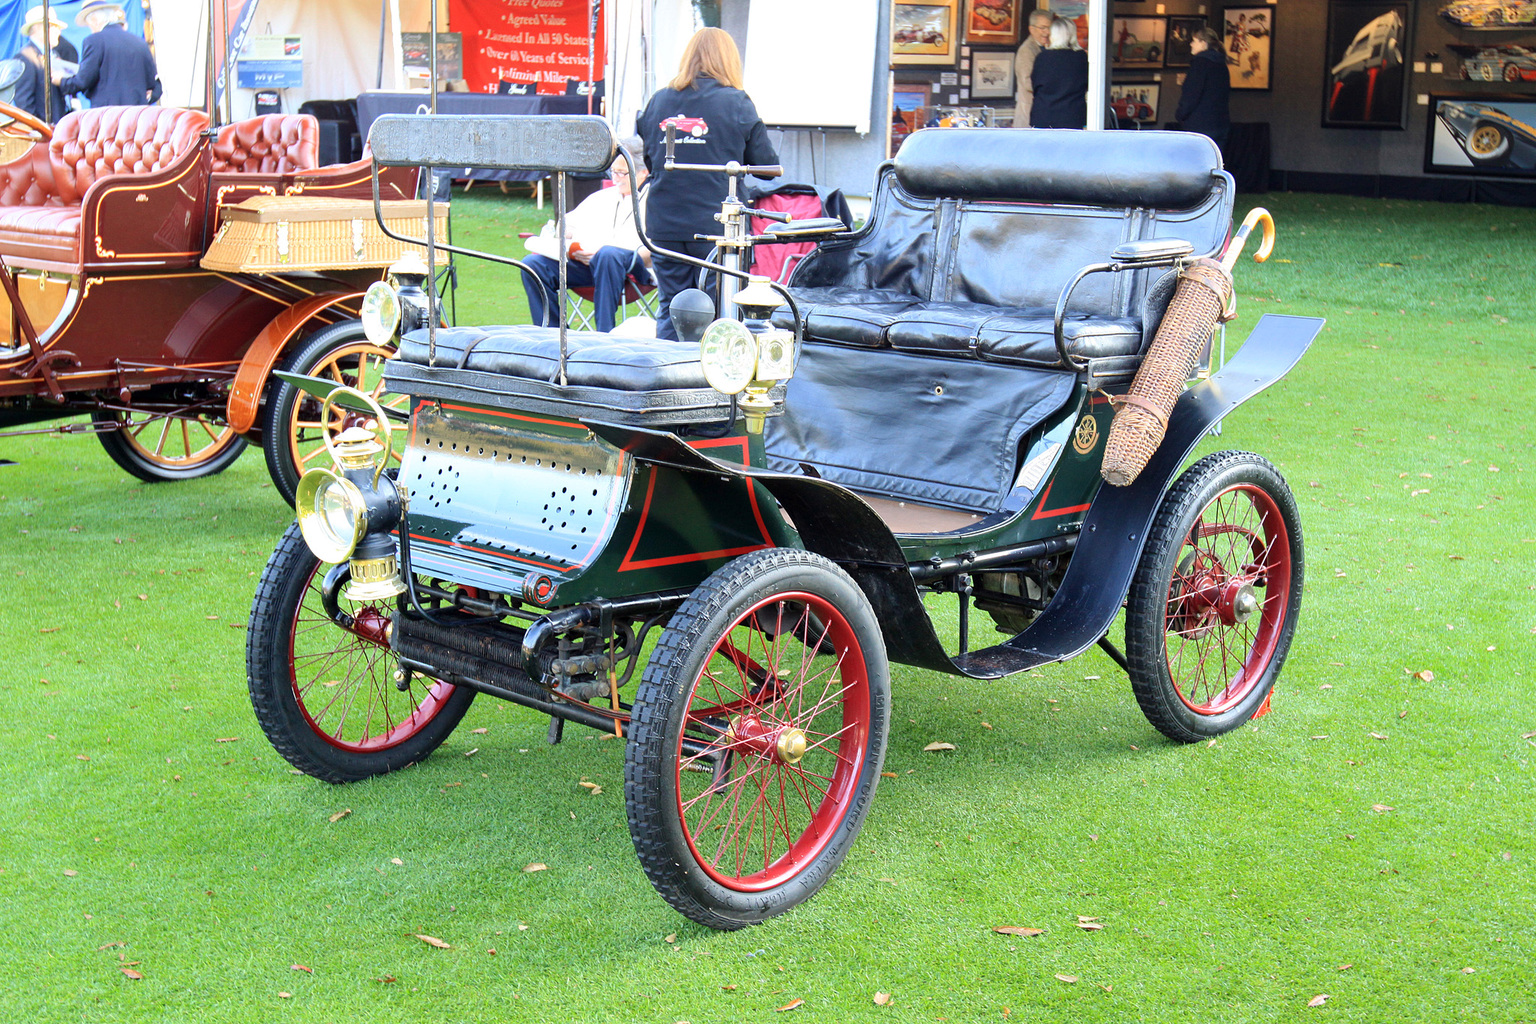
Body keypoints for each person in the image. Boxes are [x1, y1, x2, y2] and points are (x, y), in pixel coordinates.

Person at [636, 27, 778, 341]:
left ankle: (665, 382)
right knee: (720, 307)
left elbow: (651, 160)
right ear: (729, 60)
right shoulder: (736, 102)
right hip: (718, 225)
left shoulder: (659, 100)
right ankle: (714, 384)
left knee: (673, 306)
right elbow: (767, 167)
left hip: (664, 222)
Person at [520, 139, 651, 334]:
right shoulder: (604, 197)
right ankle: (553, 334)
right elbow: (565, 223)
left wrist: (606, 254)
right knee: (532, 264)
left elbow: (657, 248)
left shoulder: (655, 201)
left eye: (622, 173)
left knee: (608, 255)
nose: (615, 178)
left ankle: (603, 335)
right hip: (590, 265)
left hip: (634, 269)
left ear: (643, 172)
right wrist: (573, 242)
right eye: (613, 172)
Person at [54, 0, 160, 108]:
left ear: (95, 20)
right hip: (136, 117)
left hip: (108, 117)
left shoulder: (94, 41)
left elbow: (83, 81)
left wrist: (62, 81)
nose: (91, 29)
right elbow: (154, 85)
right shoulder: (140, 43)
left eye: (89, 25)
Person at [12, 6, 78, 124]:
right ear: (39, 28)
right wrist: (40, 130)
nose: (59, 31)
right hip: (44, 134)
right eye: (54, 27)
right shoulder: (26, 58)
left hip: (58, 128)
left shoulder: (54, 54)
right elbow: (24, 104)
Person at [1175, 27, 1231, 148]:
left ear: (1203, 43)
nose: (1191, 44)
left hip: (1199, 127)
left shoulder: (1200, 63)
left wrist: (1180, 115)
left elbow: (1191, 96)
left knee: (1193, 165)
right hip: (1220, 125)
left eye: (1194, 41)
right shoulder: (1221, 64)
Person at [1030, 18, 1088, 129]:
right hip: (1071, 116)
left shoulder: (1043, 57)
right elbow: (1086, 84)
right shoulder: (1080, 57)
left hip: (1044, 115)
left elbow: (1035, 86)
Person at [1011, 10, 1052, 128]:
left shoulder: (1047, 48)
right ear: (1031, 29)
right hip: (1028, 114)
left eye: (1049, 28)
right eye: (1043, 28)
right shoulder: (1026, 51)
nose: (1047, 32)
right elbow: (1027, 83)